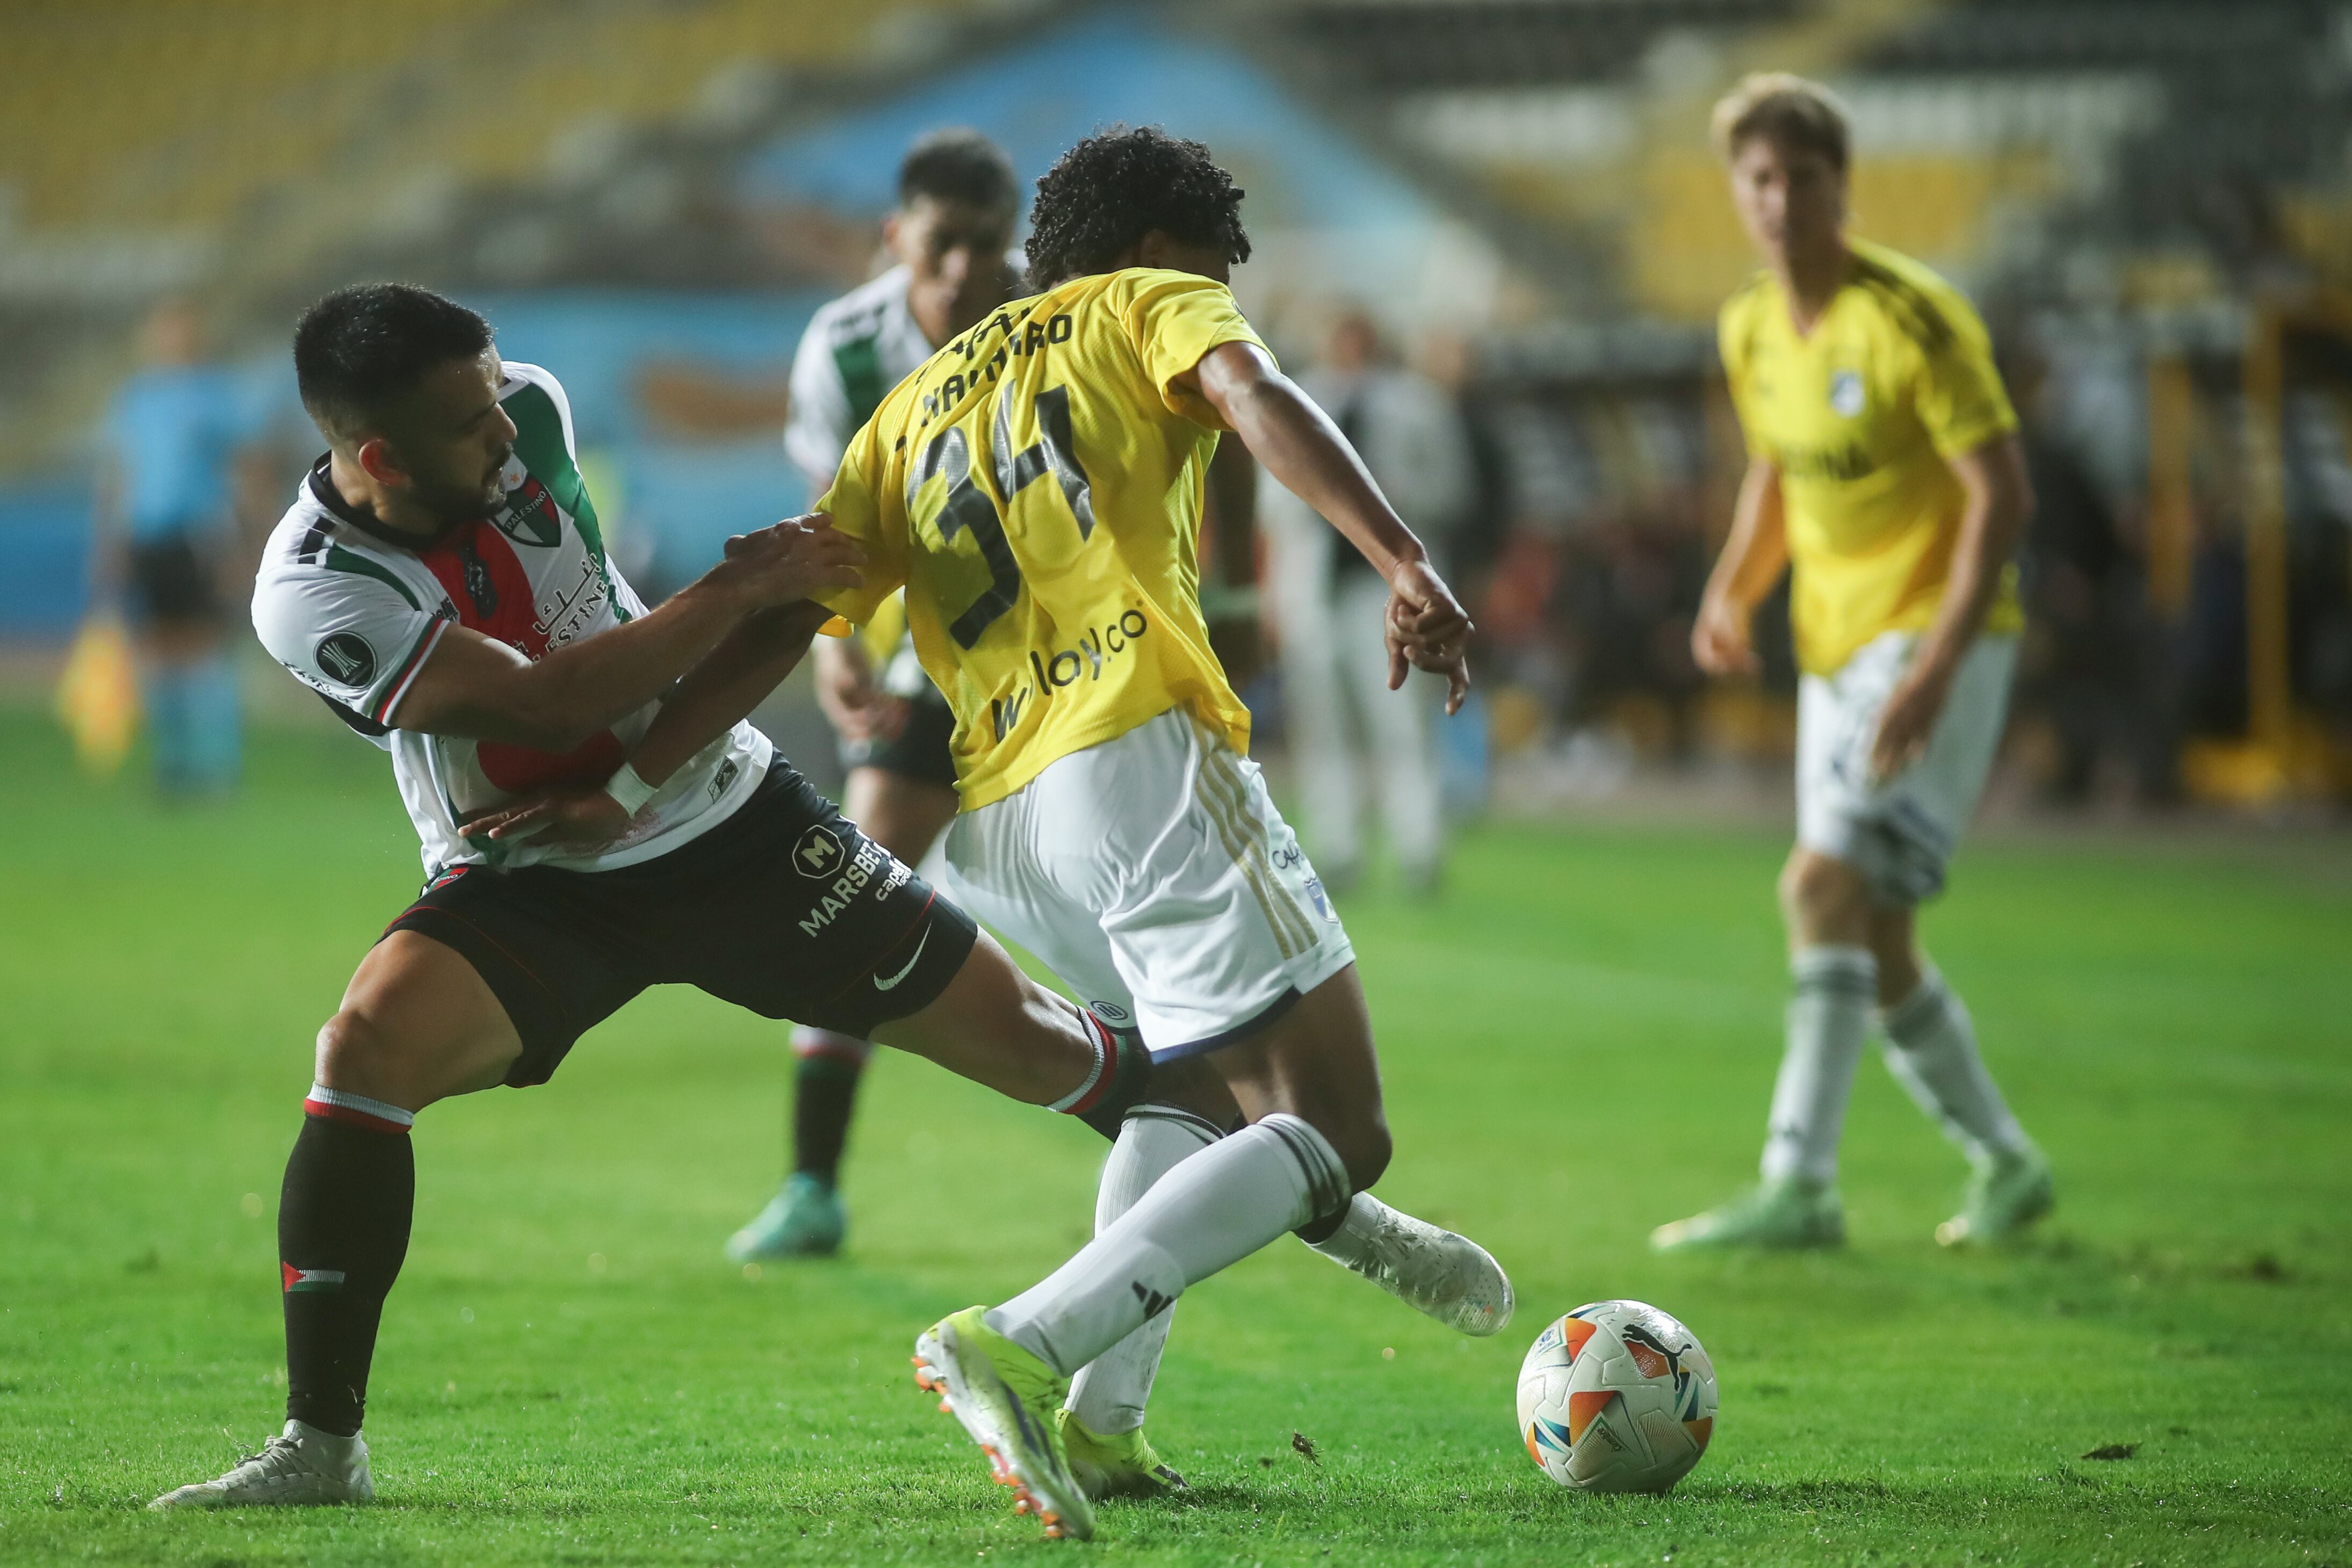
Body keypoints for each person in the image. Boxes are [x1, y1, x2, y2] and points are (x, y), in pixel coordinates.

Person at [149, 283, 1164, 1510]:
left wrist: (645, 768)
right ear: (376, 458)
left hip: (724, 813)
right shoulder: (314, 590)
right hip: (534, 868)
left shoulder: (532, 411)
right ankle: (322, 1449)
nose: (504, 435)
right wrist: (737, 589)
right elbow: (541, 704)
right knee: (365, 1046)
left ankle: (1291, 1170)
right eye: (468, 426)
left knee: (1054, 1054)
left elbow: (619, 654)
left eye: (495, 398)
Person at [811, 126, 1512, 1540]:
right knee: (1337, 1122)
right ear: (1146, 255)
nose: (1214, 306)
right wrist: (1406, 559)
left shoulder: (917, 402)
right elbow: (1252, 391)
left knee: (1185, 1094)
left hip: (999, 816)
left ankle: (1108, 1423)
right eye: (1206, 275)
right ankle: (1021, 1335)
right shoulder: (1140, 305)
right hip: (1136, 754)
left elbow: (822, 609)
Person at [1651, 75, 2054, 1256]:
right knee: (1870, 936)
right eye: (1757, 180)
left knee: (1815, 888)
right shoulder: (1748, 325)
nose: (1778, 202)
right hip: (1832, 648)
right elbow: (1773, 474)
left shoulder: (1914, 317)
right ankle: (2007, 1162)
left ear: (1841, 183)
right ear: (1736, 192)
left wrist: (1933, 666)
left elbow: (2002, 496)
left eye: (1800, 178)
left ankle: (1799, 1183)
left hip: (1937, 639)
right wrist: (1732, 586)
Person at [732, 129, 1028, 1263]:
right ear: (895, 237)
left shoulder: (1051, 317)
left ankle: (1199, 1130)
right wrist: (831, 639)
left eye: (985, 249)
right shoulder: (846, 343)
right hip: (929, 647)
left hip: (1068, 644)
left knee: (1103, 892)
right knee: (863, 886)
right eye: (941, 244)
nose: (962, 272)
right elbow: (834, 506)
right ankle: (813, 1185)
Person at [1264, 308, 1474, 895]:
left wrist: (1381, 495)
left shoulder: (1416, 403)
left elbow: (1452, 489)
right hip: (1315, 584)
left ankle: (1418, 846)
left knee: (1403, 720)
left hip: (1386, 586)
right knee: (1322, 723)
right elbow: (1272, 506)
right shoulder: (1293, 395)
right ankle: (1337, 846)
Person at [95, 299, 271, 797]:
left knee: (201, 644)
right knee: (156, 645)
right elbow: (120, 473)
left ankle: (216, 765)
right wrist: (110, 542)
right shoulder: (136, 398)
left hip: (197, 534)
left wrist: (252, 541)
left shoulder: (216, 396)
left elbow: (248, 468)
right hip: (145, 535)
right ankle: (172, 762)